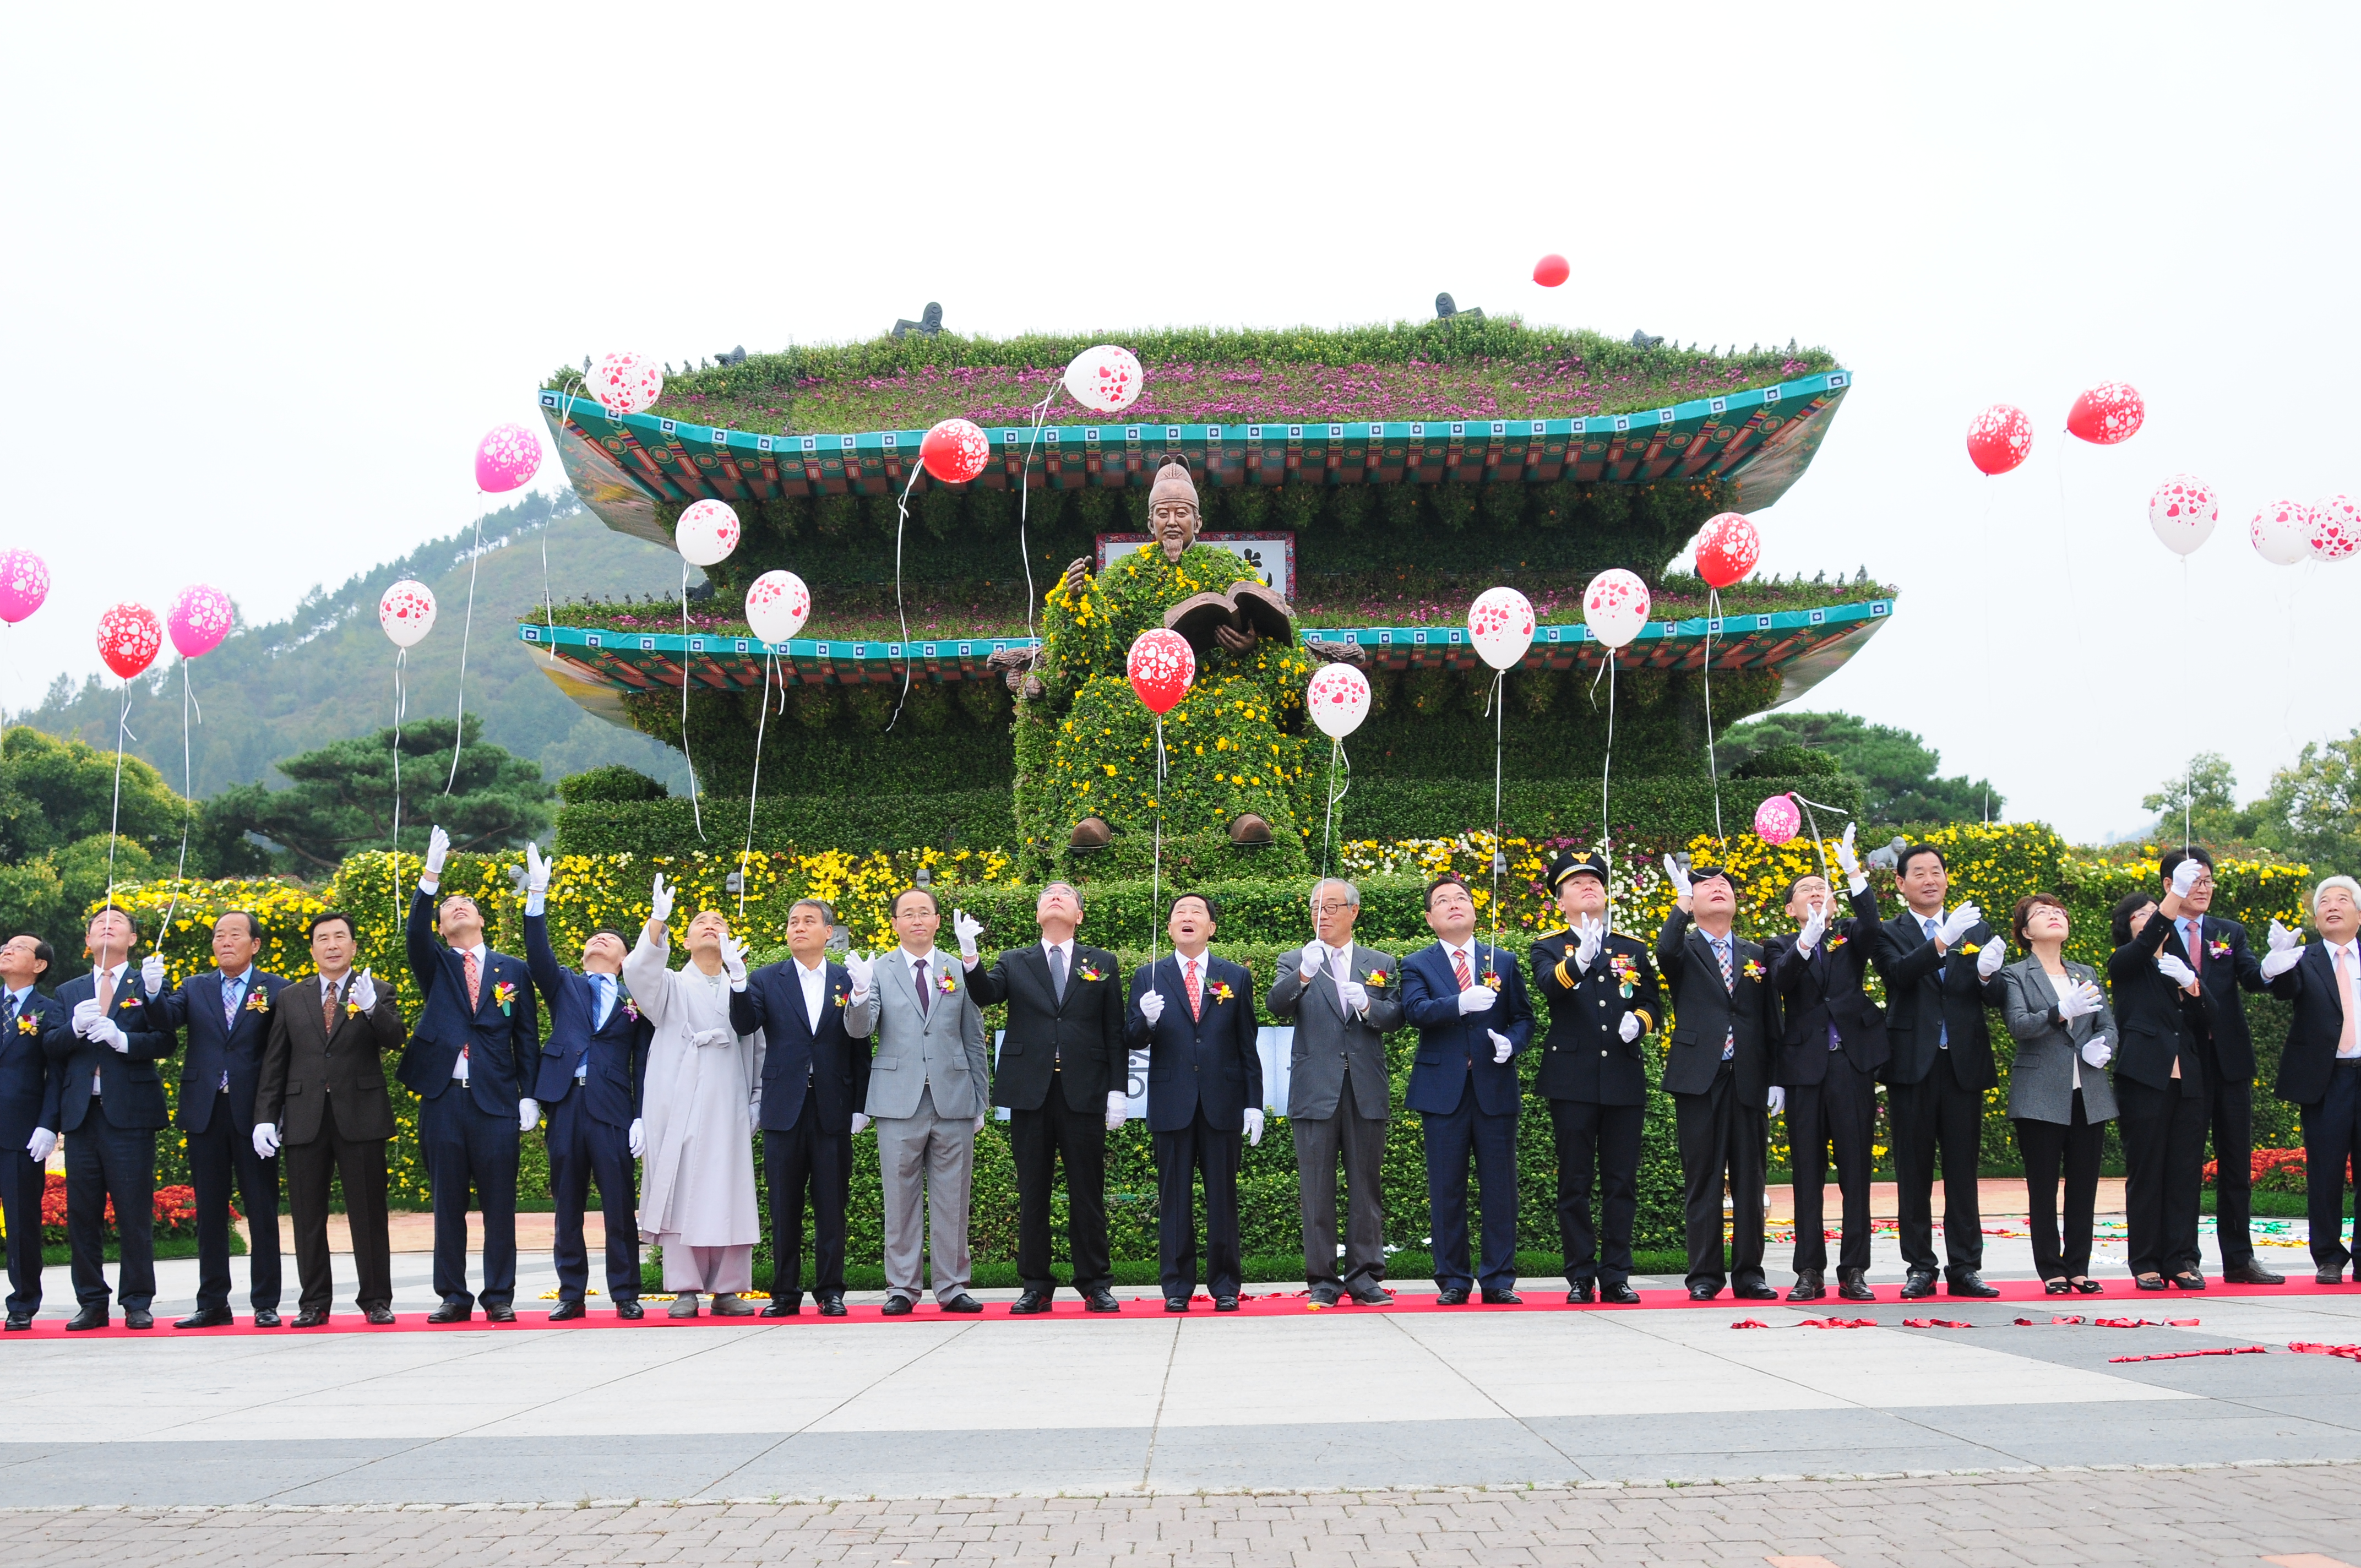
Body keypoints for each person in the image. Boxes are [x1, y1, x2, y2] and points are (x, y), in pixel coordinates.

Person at [1031, 457, 1313, 862]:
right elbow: (1102, 650)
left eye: (1182, 513)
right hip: (1138, 695)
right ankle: (1094, 819)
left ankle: (1248, 812)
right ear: (1150, 524)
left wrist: (1249, 647)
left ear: (1198, 522)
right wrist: (1077, 602)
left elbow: (1276, 638)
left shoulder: (1227, 568)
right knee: (1095, 703)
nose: (1173, 522)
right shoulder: (1125, 574)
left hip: (1209, 691)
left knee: (1242, 703)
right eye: (1163, 514)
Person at [963, 881, 1128, 1314]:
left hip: (1085, 1090)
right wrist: (969, 955)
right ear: (1037, 915)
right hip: (1031, 1092)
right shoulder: (1015, 961)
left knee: (1086, 1192)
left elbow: (1114, 1031)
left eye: (1066, 896)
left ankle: (1095, 1283)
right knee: (1032, 1190)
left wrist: (1117, 1090)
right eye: (1047, 897)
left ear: (1079, 916)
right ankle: (1036, 1284)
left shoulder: (1102, 962)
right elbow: (985, 994)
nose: (1055, 898)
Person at [400, 824, 541, 1324]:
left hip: (497, 1099)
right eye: (448, 907)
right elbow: (413, 931)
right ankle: (454, 1296)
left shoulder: (512, 969)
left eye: (466, 904)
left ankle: (499, 1294)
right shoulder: (434, 963)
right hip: (443, 1097)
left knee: (500, 1206)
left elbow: (526, 1036)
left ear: (481, 919)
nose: (457, 908)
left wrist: (530, 1095)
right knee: (448, 1205)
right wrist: (431, 878)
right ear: (441, 928)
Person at [521, 845, 652, 1322]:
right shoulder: (565, 985)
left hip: (613, 1108)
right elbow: (537, 955)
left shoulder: (636, 999)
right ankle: (571, 1292)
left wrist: (642, 1115)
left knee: (619, 1206)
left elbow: (645, 1060)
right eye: (593, 938)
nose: (599, 941)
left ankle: (626, 1292)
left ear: (624, 958)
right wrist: (537, 896)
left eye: (609, 940)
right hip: (565, 1103)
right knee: (567, 1204)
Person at [728, 897, 876, 1317]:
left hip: (833, 1105)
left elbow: (860, 1047)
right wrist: (737, 984)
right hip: (784, 1106)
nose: (798, 927)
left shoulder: (848, 980)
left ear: (828, 932)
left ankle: (831, 1291)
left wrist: (861, 1105)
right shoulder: (764, 979)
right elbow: (744, 1025)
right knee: (784, 1204)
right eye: (793, 921)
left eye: (809, 921)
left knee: (832, 1203)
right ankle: (784, 1292)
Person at [255, 911, 402, 1326]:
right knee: (307, 1215)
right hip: (304, 1117)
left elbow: (395, 1038)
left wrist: (373, 1009)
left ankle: (376, 1299)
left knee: (369, 1212)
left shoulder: (377, 990)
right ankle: (314, 1303)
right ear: (314, 948)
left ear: (354, 946)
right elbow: (275, 1062)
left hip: (361, 1116)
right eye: (324, 938)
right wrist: (266, 1116)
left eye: (341, 937)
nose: (333, 945)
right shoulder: (290, 997)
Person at [626, 876, 763, 1317]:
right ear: (682, 941)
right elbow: (638, 971)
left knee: (729, 1187)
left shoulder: (743, 985)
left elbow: (758, 1047)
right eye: (700, 922)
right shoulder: (668, 984)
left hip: (728, 1099)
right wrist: (658, 920)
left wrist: (756, 1098)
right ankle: (684, 1288)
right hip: (676, 1097)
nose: (710, 925)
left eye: (718, 921)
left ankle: (728, 1289)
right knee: (680, 1185)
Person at [146, 911, 290, 1329]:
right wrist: (155, 992)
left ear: (255, 944)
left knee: (261, 1208)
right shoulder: (194, 987)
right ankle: (212, 1303)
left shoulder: (277, 989)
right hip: (205, 1110)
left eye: (235, 935)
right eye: (218, 935)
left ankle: (265, 1302)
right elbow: (165, 1023)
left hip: (254, 1115)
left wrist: (275, 1113)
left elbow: (284, 1054)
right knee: (210, 1210)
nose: (225, 941)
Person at [1763, 828, 1889, 1303]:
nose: (1817, 893)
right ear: (1792, 908)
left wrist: (1854, 873)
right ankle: (1808, 1270)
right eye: (1806, 890)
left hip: (1850, 1065)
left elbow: (1873, 925)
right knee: (1807, 1173)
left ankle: (1854, 1269)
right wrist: (1803, 944)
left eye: (1823, 888)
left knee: (1855, 1172)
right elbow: (1780, 981)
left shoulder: (1850, 936)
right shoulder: (1778, 944)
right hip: (1803, 1069)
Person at [1269, 878, 1409, 1306]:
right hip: (1315, 1088)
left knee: (1366, 1186)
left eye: (1332, 907)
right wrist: (1305, 974)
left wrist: (1368, 1005)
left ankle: (1365, 1276)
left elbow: (1396, 1016)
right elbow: (1277, 1005)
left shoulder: (1378, 961)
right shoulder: (1294, 959)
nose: (1322, 914)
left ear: (1354, 912)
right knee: (1316, 1187)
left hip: (1365, 1085)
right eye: (1316, 907)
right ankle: (1323, 1280)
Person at [1530, 851, 1661, 1305]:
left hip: (1622, 1076)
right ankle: (1581, 1275)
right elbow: (1550, 986)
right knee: (1575, 1182)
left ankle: (1617, 1274)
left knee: (1621, 1182)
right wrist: (1581, 960)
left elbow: (1652, 1003)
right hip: (1572, 1078)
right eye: (1577, 883)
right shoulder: (1548, 945)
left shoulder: (1631, 947)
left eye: (1595, 881)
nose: (1589, 887)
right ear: (1560, 899)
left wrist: (1639, 1022)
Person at [1874, 844, 2003, 1299]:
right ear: (1901, 884)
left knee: (1962, 1171)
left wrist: (1989, 976)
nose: (1930, 879)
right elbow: (1899, 976)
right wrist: (1942, 941)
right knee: (1913, 1171)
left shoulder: (1977, 926)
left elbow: (1993, 995)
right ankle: (1920, 1267)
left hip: (1962, 1062)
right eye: (1920, 873)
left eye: (1937, 872)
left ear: (1947, 879)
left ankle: (1966, 1266)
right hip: (1912, 1063)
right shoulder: (1889, 931)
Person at [1399, 874, 1533, 1305]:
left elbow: (1524, 1018)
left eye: (1461, 898)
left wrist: (1511, 1043)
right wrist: (1458, 1003)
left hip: (1493, 1086)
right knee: (1446, 1188)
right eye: (1443, 901)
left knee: (1500, 1188)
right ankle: (1453, 1278)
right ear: (1430, 917)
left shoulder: (1504, 960)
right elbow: (1415, 1011)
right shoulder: (1417, 964)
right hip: (1443, 1091)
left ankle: (1498, 1280)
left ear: (1475, 912)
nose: (1454, 904)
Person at [1129, 892, 1262, 1311]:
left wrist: (1253, 1103)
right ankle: (1177, 1287)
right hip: (1172, 1101)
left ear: (1211, 928)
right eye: (1179, 914)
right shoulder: (1148, 976)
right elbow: (1130, 1038)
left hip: (1223, 1101)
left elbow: (1247, 1045)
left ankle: (1225, 1285)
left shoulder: (1235, 976)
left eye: (1197, 913)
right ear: (1169, 928)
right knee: (1174, 1199)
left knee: (1223, 1197)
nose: (1187, 918)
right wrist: (1146, 1019)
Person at [2158, 846, 2284, 1284]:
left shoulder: (2228, 931)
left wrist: (2270, 968)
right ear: (2169, 886)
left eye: (2208, 880)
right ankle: (2183, 1256)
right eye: (2194, 879)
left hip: (2228, 1060)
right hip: (2182, 1061)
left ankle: (2239, 1258)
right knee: (2185, 1162)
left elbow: (2249, 978)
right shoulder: (2156, 933)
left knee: (2235, 1162)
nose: (2203, 888)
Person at [862, 886, 991, 1316]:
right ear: (895, 923)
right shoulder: (878, 969)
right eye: (908, 914)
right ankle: (902, 1287)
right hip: (898, 1099)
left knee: (953, 1196)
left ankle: (952, 1286)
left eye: (925, 913)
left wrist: (980, 1100)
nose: (917, 920)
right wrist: (859, 996)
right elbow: (861, 1030)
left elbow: (973, 1036)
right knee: (899, 1197)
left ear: (938, 921)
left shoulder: (958, 968)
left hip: (953, 1096)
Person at [48, 908, 177, 1331]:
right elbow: (51, 1047)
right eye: (98, 924)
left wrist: (124, 1039)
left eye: (117, 923)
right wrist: (73, 1028)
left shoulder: (147, 983)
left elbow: (165, 1039)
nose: (107, 926)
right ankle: (91, 1301)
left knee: (133, 1211)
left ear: (134, 939)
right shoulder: (69, 991)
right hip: (83, 1116)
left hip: (130, 1114)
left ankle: (137, 1300)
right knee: (83, 1214)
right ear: (87, 941)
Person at [1656, 859, 1775, 1302]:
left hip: (1748, 1078)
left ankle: (1750, 1274)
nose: (1718, 889)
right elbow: (1665, 952)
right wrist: (1681, 900)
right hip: (1698, 1079)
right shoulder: (1684, 951)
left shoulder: (1757, 954)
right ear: (1694, 900)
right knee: (1702, 1179)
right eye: (1707, 886)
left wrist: (1775, 1078)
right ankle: (1704, 1275)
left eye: (1725, 884)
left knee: (1751, 1180)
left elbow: (1770, 1020)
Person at [1995, 892, 2119, 1295]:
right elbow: (2019, 1025)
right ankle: (2051, 1268)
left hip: (2088, 1090)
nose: (2054, 916)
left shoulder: (2085, 971)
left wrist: (2102, 1046)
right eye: (2042, 913)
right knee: (2043, 1187)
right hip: (2039, 1093)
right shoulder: (2017, 974)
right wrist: (2059, 1011)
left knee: (2084, 1186)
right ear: (2026, 932)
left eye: (2059, 911)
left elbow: (2108, 1024)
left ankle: (2079, 1267)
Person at [2108, 859, 2211, 1291]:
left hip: (2188, 1078)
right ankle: (2146, 1260)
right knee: (2147, 1170)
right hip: (2144, 1077)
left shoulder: (2175, 964)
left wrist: (2192, 985)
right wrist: (2170, 902)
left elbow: (2211, 1019)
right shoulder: (2125, 963)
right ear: (2127, 926)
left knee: (2186, 1170)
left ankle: (2181, 1258)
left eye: (2157, 911)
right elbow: (2150, 937)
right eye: (2142, 914)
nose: (2153, 919)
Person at [2262, 874, 2361, 1284]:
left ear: (2359, 913)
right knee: (2325, 1170)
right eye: (2324, 902)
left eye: (2342, 899)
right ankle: (2328, 1257)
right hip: (2327, 1080)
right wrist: (2278, 963)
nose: (2332, 906)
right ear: (2317, 917)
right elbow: (2286, 990)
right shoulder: (2305, 958)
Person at [0, 934, 65, 1331]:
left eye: (19, 948)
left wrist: (48, 1125)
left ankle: (23, 1302)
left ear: (39, 965)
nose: (6, 950)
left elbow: (56, 1077)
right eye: (5, 946)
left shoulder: (49, 1012)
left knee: (22, 1222)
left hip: (21, 1132)